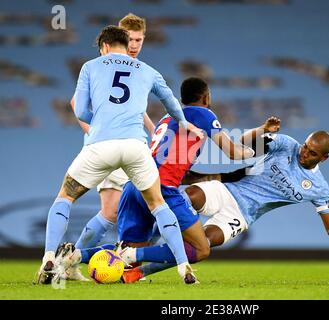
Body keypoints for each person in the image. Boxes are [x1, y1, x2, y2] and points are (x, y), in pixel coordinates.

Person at [36, 25, 204, 285]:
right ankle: (184, 266)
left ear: (103, 47)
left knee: (65, 197)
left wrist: (101, 124)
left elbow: (80, 110)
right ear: (127, 46)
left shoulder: (90, 66)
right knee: (158, 205)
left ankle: (49, 257)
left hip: (100, 146)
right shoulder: (147, 70)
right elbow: (170, 99)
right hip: (136, 147)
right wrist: (183, 122)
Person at [122, 118, 329, 282]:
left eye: (312, 153)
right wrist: (261, 131)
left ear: (324, 158)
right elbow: (241, 145)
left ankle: (139, 267)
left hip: (242, 215)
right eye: (305, 146)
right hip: (229, 190)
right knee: (188, 196)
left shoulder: (319, 189)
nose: (304, 152)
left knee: (203, 245)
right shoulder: (286, 144)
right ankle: (139, 248)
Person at [54, 76, 256, 282]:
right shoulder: (203, 114)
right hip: (161, 190)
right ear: (206, 97)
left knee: (131, 256)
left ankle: (75, 255)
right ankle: (131, 255)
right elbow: (232, 152)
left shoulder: (167, 119)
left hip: (135, 186)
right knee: (201, 248)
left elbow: (173, 165)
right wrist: (253, 151)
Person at [70, 14, 156, 251]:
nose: (134, 45)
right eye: (130, 39)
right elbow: (75, 103)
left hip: (132, 144)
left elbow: (134, 108)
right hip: (110, 144)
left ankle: (75, 260)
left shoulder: (136, 69)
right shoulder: (102, 65)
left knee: (128, 209)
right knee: (116, 211)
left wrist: (152, 129)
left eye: (139, 40)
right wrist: (97, 132)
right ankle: (73, 259)